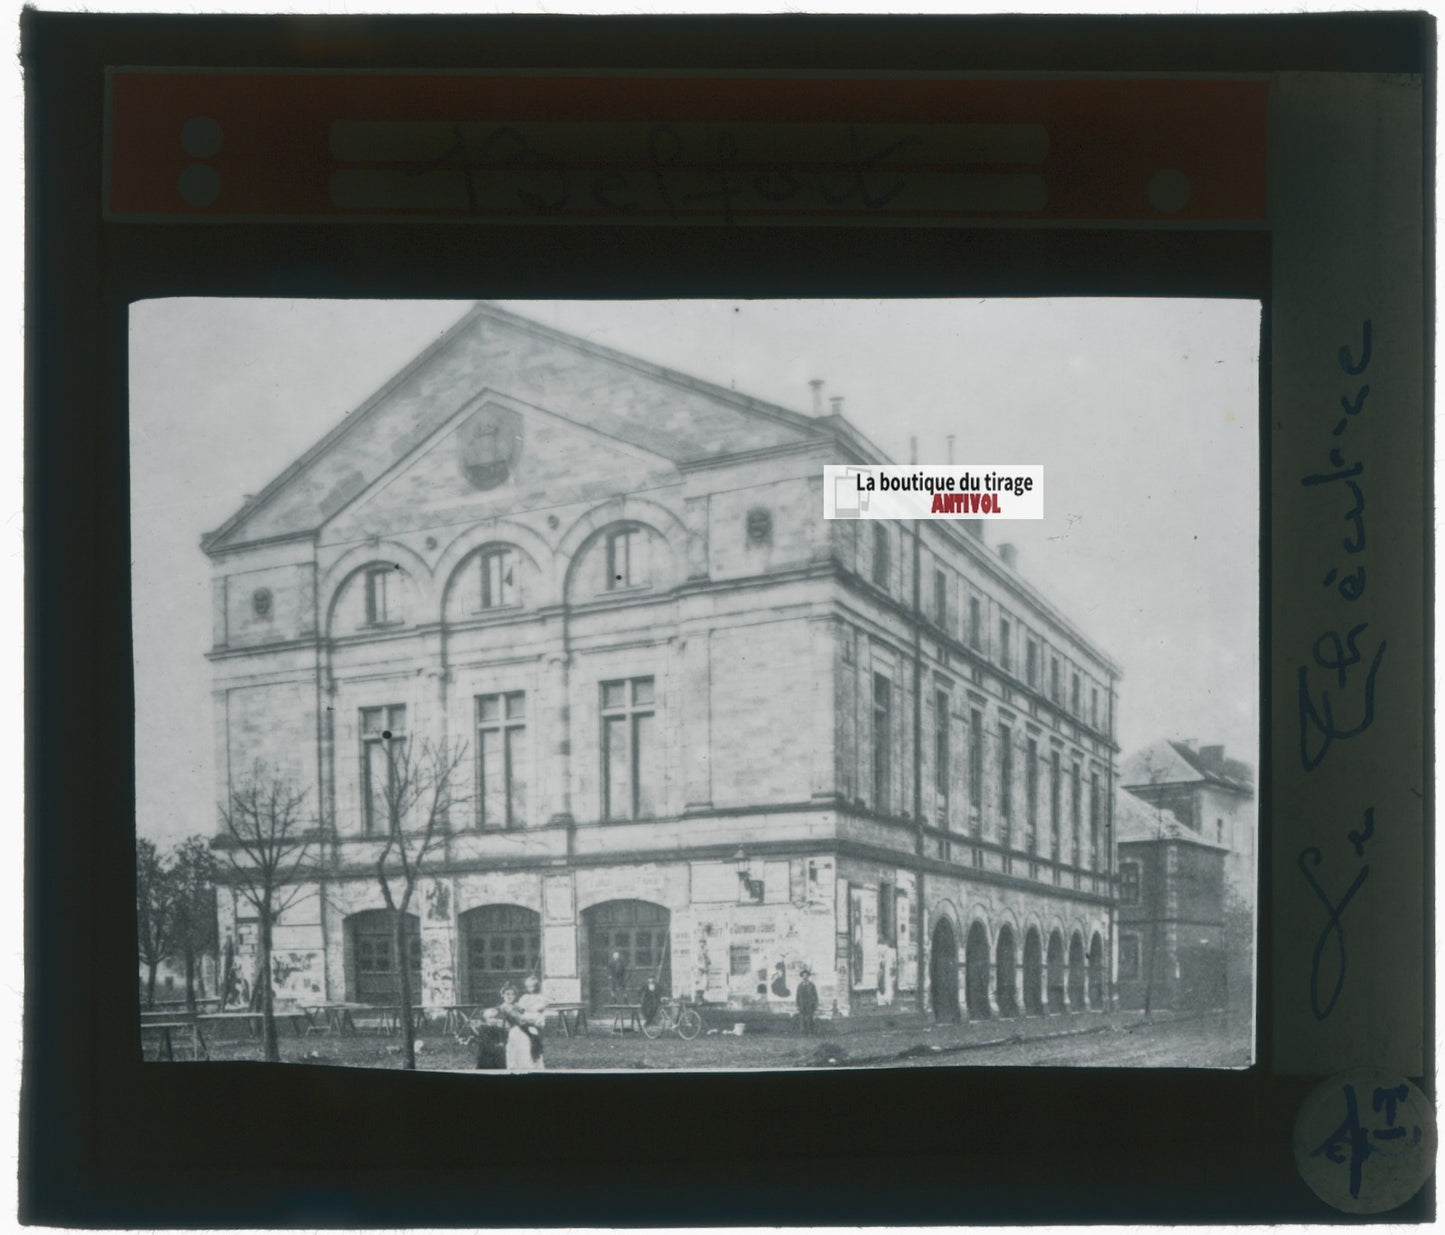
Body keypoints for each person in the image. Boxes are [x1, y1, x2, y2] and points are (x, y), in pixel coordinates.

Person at [796, 966, 819, 1036]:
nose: (805, 977)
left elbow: (815, 996)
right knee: (802, 1019)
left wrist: (815, 1005)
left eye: (806, 975)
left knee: (810, 1019)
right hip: (802, 1005)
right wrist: (798, 1005)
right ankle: (803, 1033)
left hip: (810, 1005)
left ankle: (810, 1033)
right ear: (802, 977)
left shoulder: (811, 985)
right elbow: (797, 996)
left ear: (808, 976)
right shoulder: (800, 986)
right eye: (803, 976)